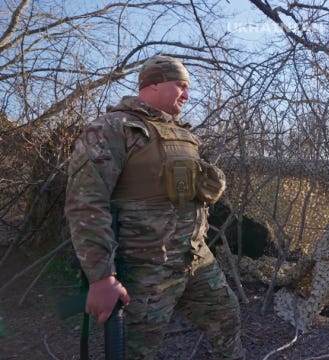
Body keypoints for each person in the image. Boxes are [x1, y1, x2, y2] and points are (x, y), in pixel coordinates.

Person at [65, 54, 245, 359]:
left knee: (227, 317)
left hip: (196, 258)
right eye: (181, 86)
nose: (187, 95)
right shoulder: (112, 128)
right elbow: (85, 203)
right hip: (144, 269)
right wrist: (101, 277)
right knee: (138, 350)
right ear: (154, 84)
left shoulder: (185, 135)